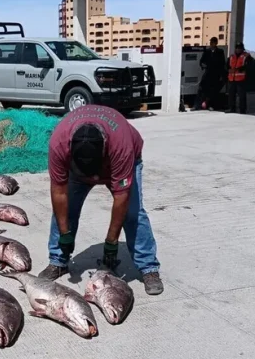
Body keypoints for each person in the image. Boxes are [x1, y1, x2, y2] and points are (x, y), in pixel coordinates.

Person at [38, 104, 164, 296]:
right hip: (78, 171)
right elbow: (59, 193)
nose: (94, 179)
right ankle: (58, 261)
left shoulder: (121, 146)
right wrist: (65, 233)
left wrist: (111, 242)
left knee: (133, 213)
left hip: (122, 161)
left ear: (105, 148)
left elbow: (122, 197)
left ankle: (148, 268)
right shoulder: (59, 143)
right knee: (65, 210)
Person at [197, 37, 226, 110]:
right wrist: (203, 65)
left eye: (212, 42)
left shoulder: (220, 52)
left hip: (216, 74)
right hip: (208, 73)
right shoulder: (207, 51)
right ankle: (198, 105)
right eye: (210, 42)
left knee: (213, 91)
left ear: (216, 43)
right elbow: (201, 61)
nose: (211, 44)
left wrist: (222, 75)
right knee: (202, 88)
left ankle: (211, 105)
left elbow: (222, 63)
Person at [226, 42, 251, 114]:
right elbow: (227, 65)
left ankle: (242, 110)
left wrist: (238, 69)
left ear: (242, 49)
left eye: (239, 48)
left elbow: (248, 66)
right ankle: (231, 108)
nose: (238, 49)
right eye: (237, 48)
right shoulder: (231, 57)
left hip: (241, 79)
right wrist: (228, 69)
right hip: (231, 78)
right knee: (231, 95)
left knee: (242, 96)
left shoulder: (246, 56)